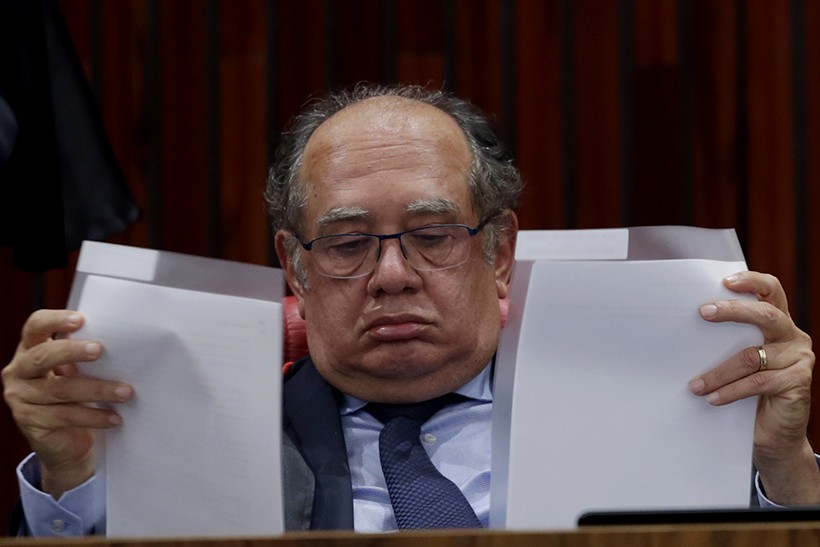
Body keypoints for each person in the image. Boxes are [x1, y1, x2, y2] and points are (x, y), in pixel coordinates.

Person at [3, 84, 818, 536]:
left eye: (432, 236)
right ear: (295, 265)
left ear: (500, 251)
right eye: (346, 242)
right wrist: (74, 477)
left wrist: (784, 465)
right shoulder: (199, 438)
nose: (391, 275)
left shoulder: (647, 414)